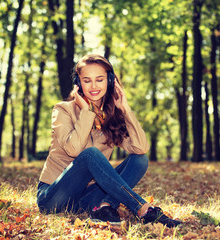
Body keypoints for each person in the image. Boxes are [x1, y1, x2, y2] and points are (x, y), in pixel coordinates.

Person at [36, 54, 181, 228]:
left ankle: (104, 207)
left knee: (139, 159)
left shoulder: (110, 115)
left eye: (100, 79)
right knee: (90, 155)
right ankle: (142, 208)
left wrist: (125, 108)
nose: (94, 86)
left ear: (110, 81)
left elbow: (141, 147)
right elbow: (73, 150)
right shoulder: (63, 110)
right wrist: (87, 112)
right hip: (55, 198)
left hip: (87, 200)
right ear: (78, 83)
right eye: (87, 80)